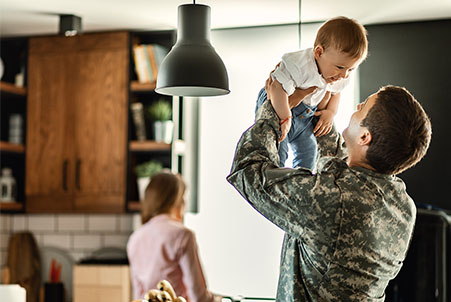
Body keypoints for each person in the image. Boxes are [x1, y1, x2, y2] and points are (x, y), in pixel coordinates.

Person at [227, 78, 432, 301]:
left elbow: (248, 172)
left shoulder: (334, 201)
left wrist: (273, 111)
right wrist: (318, 113)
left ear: (365, 137)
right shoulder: (401, 205)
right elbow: (340, 167)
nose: (356, 108)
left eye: (362, 107)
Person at [255, 16, 368, 170]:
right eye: (340, 67)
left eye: (351, 69)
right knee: (277, 152)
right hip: (280, 106)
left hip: (306, 118)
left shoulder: (338, 74)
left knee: (309, 153)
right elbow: (275, 87)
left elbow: (336, 92)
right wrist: (285, 117)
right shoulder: (299, 65)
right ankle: (276, 180)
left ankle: (301, 182)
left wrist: (330, 112)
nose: (344, 75)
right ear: (319, 52)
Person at [127, 171, 221, 302]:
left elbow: (139, 294)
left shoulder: (135, 239)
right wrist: (216, 299)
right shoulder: (183, 235)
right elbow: (198, 296)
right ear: (176, 200)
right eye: (183, 198)